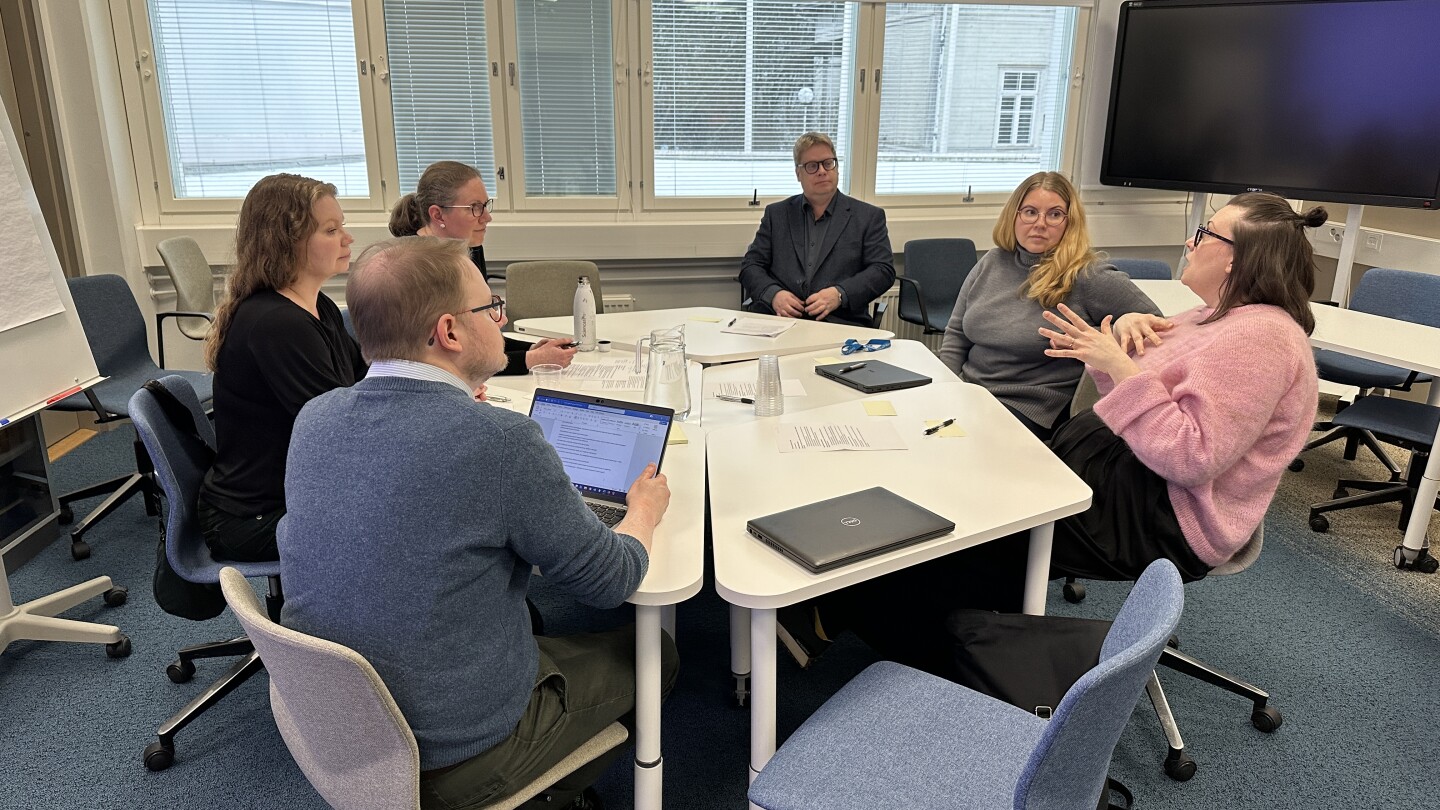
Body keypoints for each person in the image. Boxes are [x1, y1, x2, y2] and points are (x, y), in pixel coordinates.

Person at [795, 192, 1322, 677]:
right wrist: (1114, 345)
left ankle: (965, 663)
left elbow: (1192, 455)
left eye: (1206, 233)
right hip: (1117, 471)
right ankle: (882, 615)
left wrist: (1122, 364)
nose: (1191, 241)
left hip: (1156, 512)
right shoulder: (1212, 317)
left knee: (951, 544)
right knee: (950, 521)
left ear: (1237, 257)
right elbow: (1138, 387)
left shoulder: (1263, 339)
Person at [277, 236, 678, 810]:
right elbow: (612, 581)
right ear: (449, 332)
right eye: (490, 306)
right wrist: (643, 509)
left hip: (338, 726)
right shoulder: (499, 442)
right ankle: (546, 790)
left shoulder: (316, 417)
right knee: (656, 655)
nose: (503, 317)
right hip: (453, 760)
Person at [197, 174, 367, 563]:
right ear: (286, 242)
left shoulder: (317, 306)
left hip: (288, 494)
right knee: (412, 519)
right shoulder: (277, 324)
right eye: (331, 229)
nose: (347, 238)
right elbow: (342, 432)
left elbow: (366, 381)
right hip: (251, 517)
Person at [939, 171, 1160, 439]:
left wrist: (1112, 329)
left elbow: (1155, 324)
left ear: (1069, 222)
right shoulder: (993, 261)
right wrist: (944, 387)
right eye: (1030, 212)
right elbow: (956, 336)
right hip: (970, 392)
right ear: (1014, 216)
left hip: (1030, 408)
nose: (1040, 223)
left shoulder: (1088, 275)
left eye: (1054, 214)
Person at [390, 160, 577, 375]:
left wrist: (531, 350)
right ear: (438, 215)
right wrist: (528, 360)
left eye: (485, 205)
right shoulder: (412, 268)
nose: (487, 217)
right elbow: (444, 357)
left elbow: (478, 333)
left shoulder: (469, 249)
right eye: (474, 208)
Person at [739, 132, 895, 328]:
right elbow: (751, 266)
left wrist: (840, 294)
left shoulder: (867, 217)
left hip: (840, 324)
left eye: (828, 163)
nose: (822, 171)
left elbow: (883, 270)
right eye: (812, 166)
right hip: (779, 322)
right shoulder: (776, 214)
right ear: (798, 174)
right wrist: (773, 294)